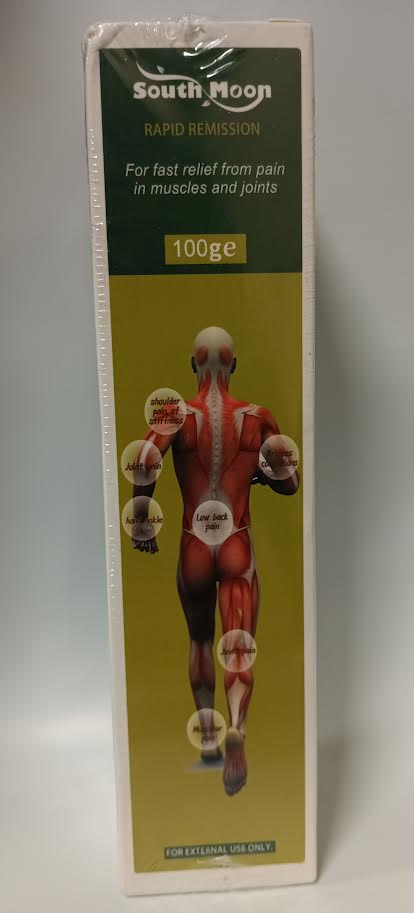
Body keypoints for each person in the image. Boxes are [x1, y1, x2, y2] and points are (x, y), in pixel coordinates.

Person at [132, 326, 299, 796]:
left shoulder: (175, 414)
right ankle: (237, 730)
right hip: (235, 542)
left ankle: (207, 739)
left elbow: (144, 460)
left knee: (200, 640)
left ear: (193, 365)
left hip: (194, 546)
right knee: (238, 642)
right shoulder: (257, 417)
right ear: (234, 366)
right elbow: (290, 483)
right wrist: (260, 476)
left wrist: (143, 519)